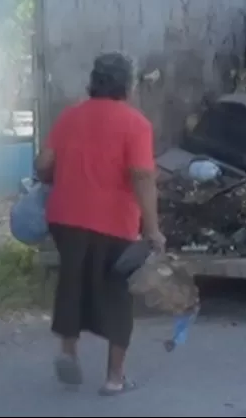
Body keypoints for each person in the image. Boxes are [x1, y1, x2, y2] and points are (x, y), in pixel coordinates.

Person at [34, 51, 163, 397]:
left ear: (93, 82)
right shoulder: (136, 124)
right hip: (114, 223)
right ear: (128, 85)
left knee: (71, 283)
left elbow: (43, 162)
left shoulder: (69, 117)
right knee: (117, 294)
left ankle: (68, 352)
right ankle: (114, 377)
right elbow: (141, 176)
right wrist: (152, 229)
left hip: (65, 218)